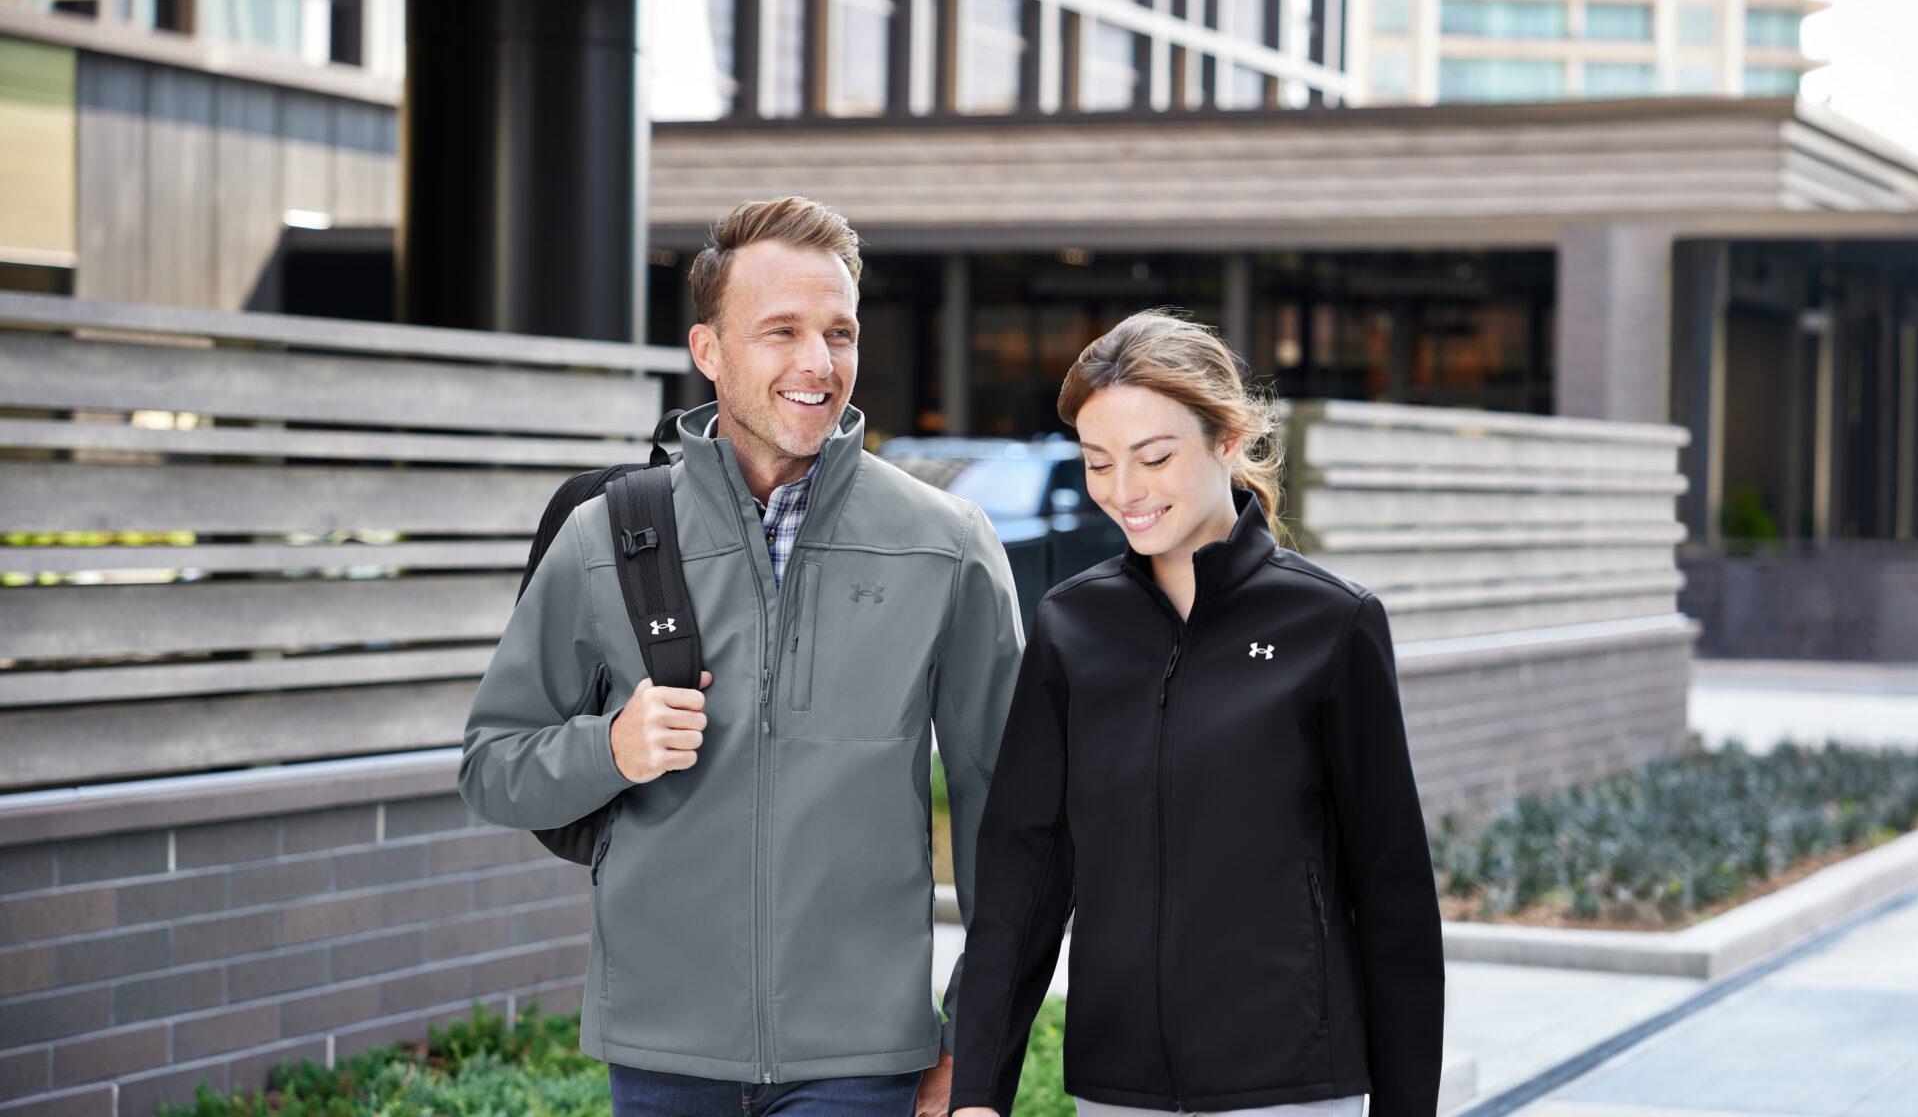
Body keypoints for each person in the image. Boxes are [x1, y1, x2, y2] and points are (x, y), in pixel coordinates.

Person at [460, 196, 1025, 1117]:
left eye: (838, 332)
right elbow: (492, 766)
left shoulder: (946, 546)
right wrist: (611, 749)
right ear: (708, 350)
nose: (818, 363)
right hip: (661, 1051)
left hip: (861, 1057)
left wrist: (978, 1038)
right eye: (781, 331)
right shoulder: (607, 535)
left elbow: (1008, 814)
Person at [947, 311, 1445, 1117]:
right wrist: (979, 1091)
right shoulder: (1072, 627)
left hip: (1289, 1084)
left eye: (1154, 457)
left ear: (1225, 439)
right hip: (1119, 1087)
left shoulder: (1330, 624)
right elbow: (1024, 875)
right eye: (1099, 462)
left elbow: (1393, 894)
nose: (1124, 491)